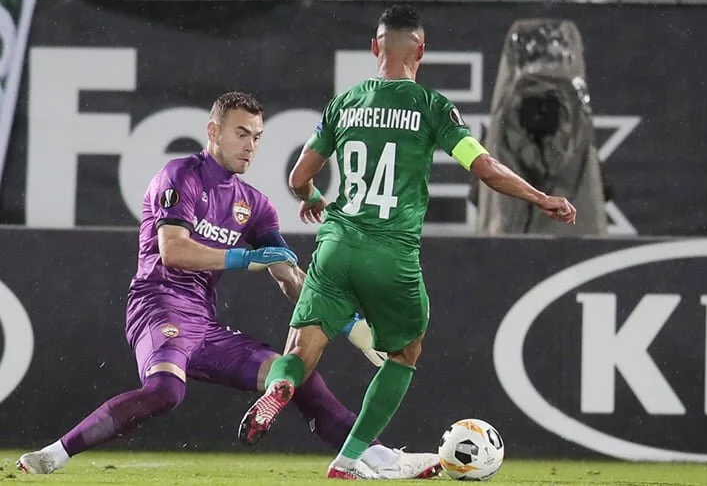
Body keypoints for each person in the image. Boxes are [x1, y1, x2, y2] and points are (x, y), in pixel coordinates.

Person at [16, 92, 441, 480]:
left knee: (295, 375)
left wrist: (349, 325)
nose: (250, 145)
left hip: (205, 324)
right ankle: (55, 453)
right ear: (213, 131)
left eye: (257, 137)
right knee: (165, 391)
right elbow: (172, 250)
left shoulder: (255, 205)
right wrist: (245, 258)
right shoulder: (180, 175)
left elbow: (291, 277)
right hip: (158, 306)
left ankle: (376, 455)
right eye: (241, 133)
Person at [238, 5, 578, 480]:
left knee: (299, 352)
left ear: (374, 48)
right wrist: (540, 197)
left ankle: (278, 390)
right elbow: (483, 168)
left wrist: (312, 196)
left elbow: (298, 177)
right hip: (390, 252)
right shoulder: (432, 107)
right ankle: (350, 458)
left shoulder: (345, 103)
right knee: (404, 353)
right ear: (421, 50)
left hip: (336, 245)